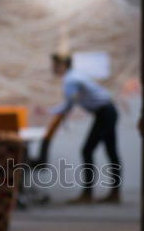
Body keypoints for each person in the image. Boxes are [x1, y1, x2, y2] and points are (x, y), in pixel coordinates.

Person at [50, 53, 122, 204]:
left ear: (63, 65)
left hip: (104, 113)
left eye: (55, 64)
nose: (53, 68)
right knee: (111, 152)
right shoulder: (74, 76)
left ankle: (88, 194)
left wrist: (49, 112)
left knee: (88, 150)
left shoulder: (71, 79)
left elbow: (69, 104)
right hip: (107, 111)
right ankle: (114, 193)